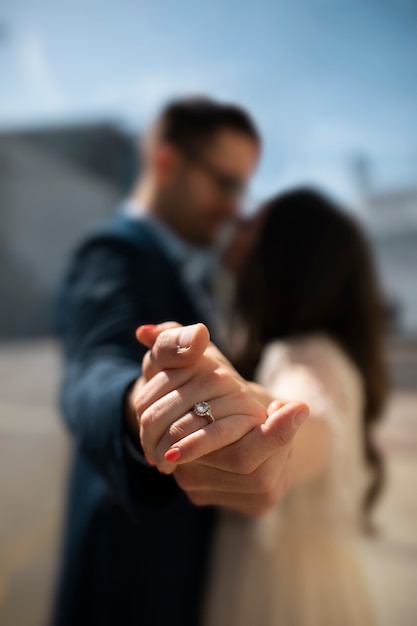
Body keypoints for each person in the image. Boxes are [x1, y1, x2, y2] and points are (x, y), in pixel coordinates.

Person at [52, 96, 307, 626]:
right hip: (127, 582)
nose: (236, 207)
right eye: (225, 182)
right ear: (168, 163)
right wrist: (141, 403)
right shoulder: (112, 252)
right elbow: (91, 371)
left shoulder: (183, 264)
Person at [195, 188, 387, 625]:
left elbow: (310, 419)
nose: (236, 228)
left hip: (279, 597)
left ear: (283, 254)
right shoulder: (327, 350)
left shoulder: (302, 356)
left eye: (250, 225)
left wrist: (264, 429)